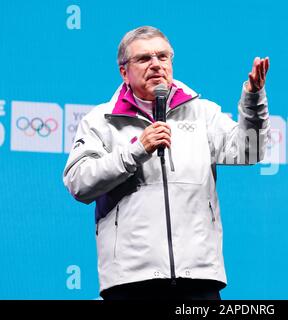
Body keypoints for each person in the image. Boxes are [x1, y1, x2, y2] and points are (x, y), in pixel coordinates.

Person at [63, 26, 269, 300]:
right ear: (124, 71)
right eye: (144, 58)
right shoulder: (100, 121)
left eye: (163, 57)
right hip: (131, 280)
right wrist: (136, 150)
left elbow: (250, 151)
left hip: (199, 278)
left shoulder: (202, 113)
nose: (156, 65)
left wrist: (253, 99)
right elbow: (79, 183)